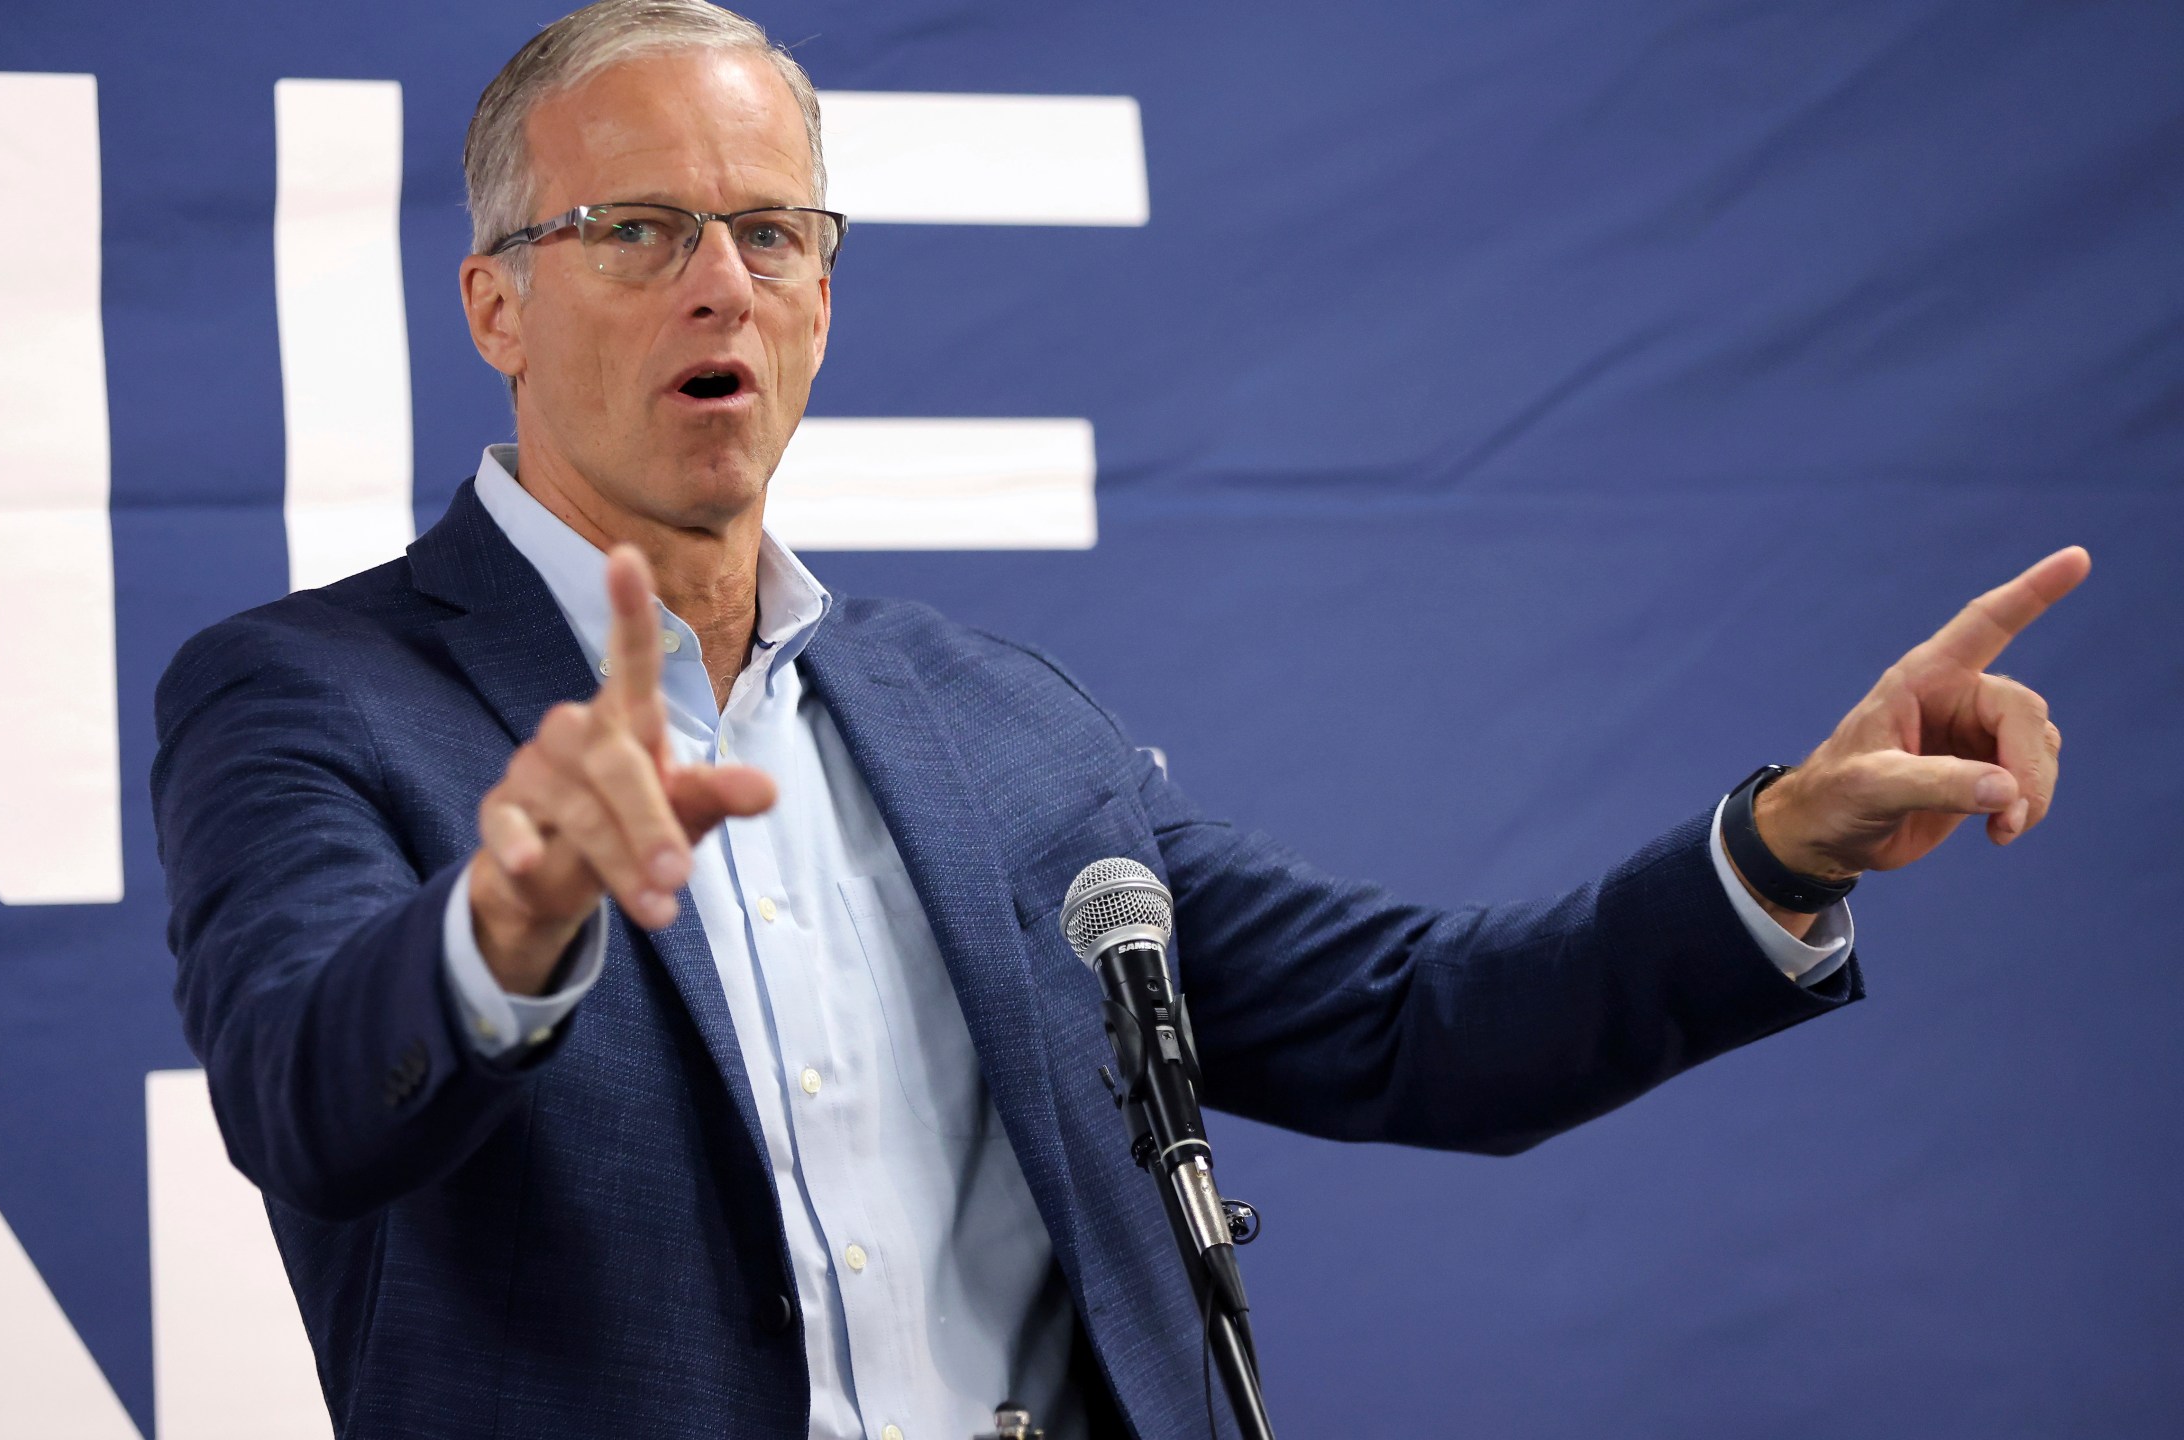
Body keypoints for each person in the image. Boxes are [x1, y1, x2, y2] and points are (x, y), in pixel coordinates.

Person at [149, 3, 2087, 1435]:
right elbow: (304, 1097)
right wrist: (506, 928)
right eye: (637, 230)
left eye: (770, 230)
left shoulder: (992, 723)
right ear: (493, 301)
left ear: (827, 293)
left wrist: (1775, 851)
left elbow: (1425, 1027)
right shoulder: (309, 696)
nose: (716, 282)